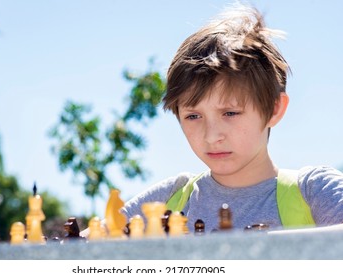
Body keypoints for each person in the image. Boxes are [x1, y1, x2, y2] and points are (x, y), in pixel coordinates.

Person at [120, 3, 343, 232]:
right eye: (193, 116)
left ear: (275, 109)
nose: (211, 136)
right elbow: (85, 250)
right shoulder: (170, 197)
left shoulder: (316, 192)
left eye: (230, 113)